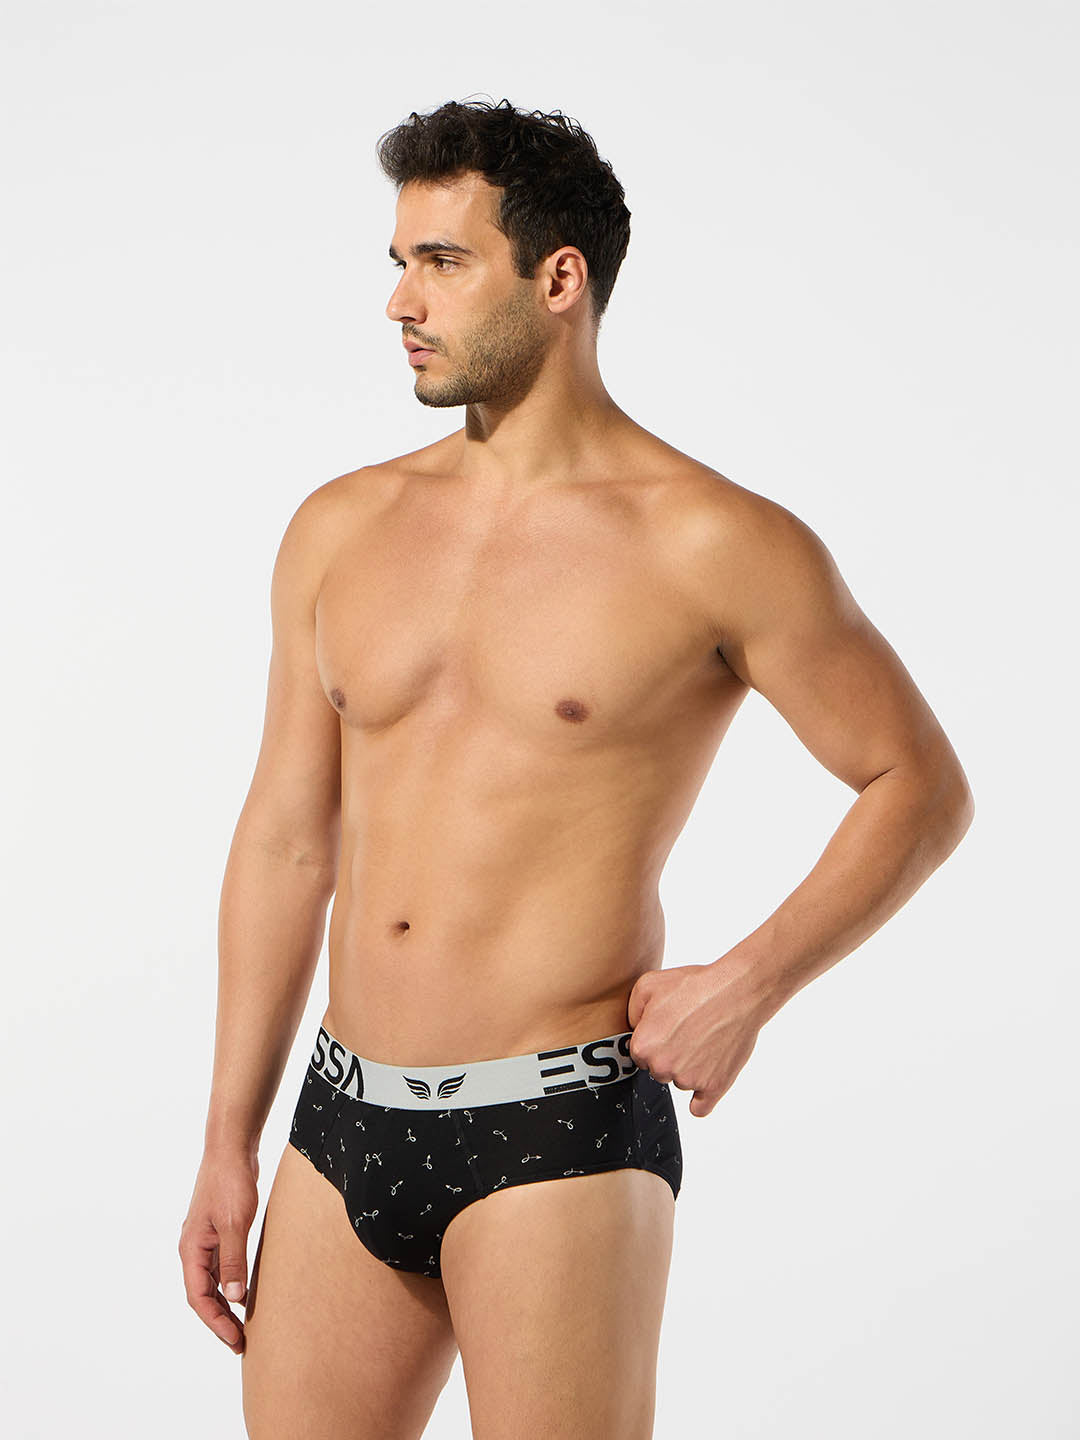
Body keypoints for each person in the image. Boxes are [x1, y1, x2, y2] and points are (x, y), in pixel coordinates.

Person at [178, 97, 974, 1440]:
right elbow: (286, 840)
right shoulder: (341, 526)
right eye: (399, 262)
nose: (400, 302)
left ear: (559, 280)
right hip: (340, 1117)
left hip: (555, 1131)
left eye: (444, 262)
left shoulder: (714, 540)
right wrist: (225, 1137)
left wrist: (749, 984)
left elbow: (918, 784)